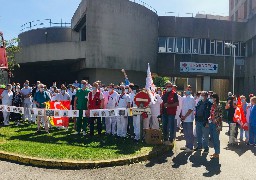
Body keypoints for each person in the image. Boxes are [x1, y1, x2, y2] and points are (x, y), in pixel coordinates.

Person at [161, 81, 179, 145]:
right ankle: (165, 139)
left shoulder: (174, 94)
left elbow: (177, 103)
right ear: (166, 87)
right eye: (168, 86)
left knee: (171, 126)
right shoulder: (164, 93)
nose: (169, 87)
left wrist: (168, 105)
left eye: (171, 86)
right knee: (164, 126)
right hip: (164, 113)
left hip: (171, 113)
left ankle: (171, 140)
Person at [180, 85, 195, 153]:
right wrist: (182, 116)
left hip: (188, 118)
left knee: (189, 133)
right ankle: (187, 145)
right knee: (185, 133)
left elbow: (190, 109)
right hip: (184, 118)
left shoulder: (191, 98)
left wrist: (185, 116)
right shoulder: (184, 98)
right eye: (187, 89)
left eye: (189, 89)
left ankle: (190, 147)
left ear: (191, 91)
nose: (187, 91)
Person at [208, 93, 222, 159]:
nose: (211, 99)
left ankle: (217, 153)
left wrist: (215, 120)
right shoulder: (212, 105)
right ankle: (215, 152)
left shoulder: (219, 106)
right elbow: (212, 113)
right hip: (211, 123)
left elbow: (220, 116)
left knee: (216, 139)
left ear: (215, 98)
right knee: (213, 138)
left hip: (216, 124)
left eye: (212, 98)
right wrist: (210, 118)